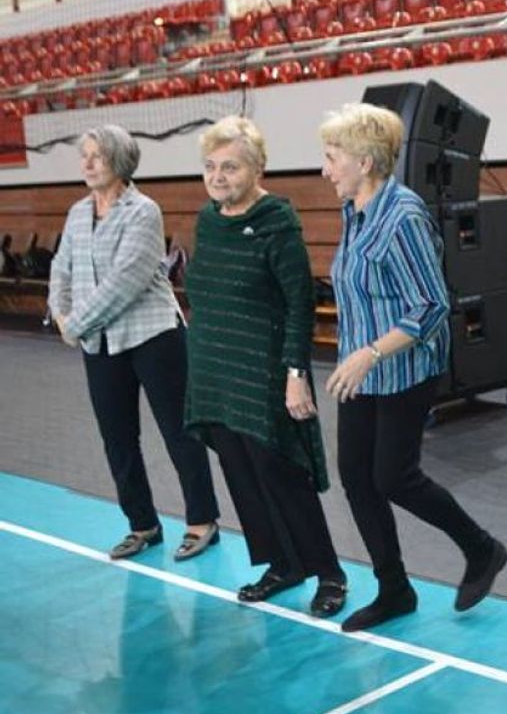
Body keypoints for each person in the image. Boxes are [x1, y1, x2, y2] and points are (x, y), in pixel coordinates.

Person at [319, 102, 507, 632]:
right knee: (356, 478)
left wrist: (370, 353)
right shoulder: (354, 209)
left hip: (402, 369)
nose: (325, 169)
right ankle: (394, 590)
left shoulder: (403, 217)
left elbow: (430, 305)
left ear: (364, 161)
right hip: (362, 371)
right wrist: (357, 356)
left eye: (332, 157)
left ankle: (481, 548)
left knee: (393, 477)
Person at [184, 116, 347, 618]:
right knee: (241, 474)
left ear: (257, 169)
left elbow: (300, 303)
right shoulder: (209, 220)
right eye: (211, 167)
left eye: (230, 167)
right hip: (214, 370)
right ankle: (282, 564)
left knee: (282, 473)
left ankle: (329, 573)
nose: (218, 177)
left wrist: (296, 374)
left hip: (265, 372)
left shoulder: (277, 222)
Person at [46, 124, 220, 560]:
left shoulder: (143, 211)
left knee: (179, 432)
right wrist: (60, 313)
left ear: (120, 162)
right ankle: (143, 525)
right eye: (84, 155)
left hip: (153, 335)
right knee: (117, 438)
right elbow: (61, 268)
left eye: (97, 156)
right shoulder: (77, 213)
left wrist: (74, 324)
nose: (87, 164)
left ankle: (202, 521)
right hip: (99, 341)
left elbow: (125, 282)